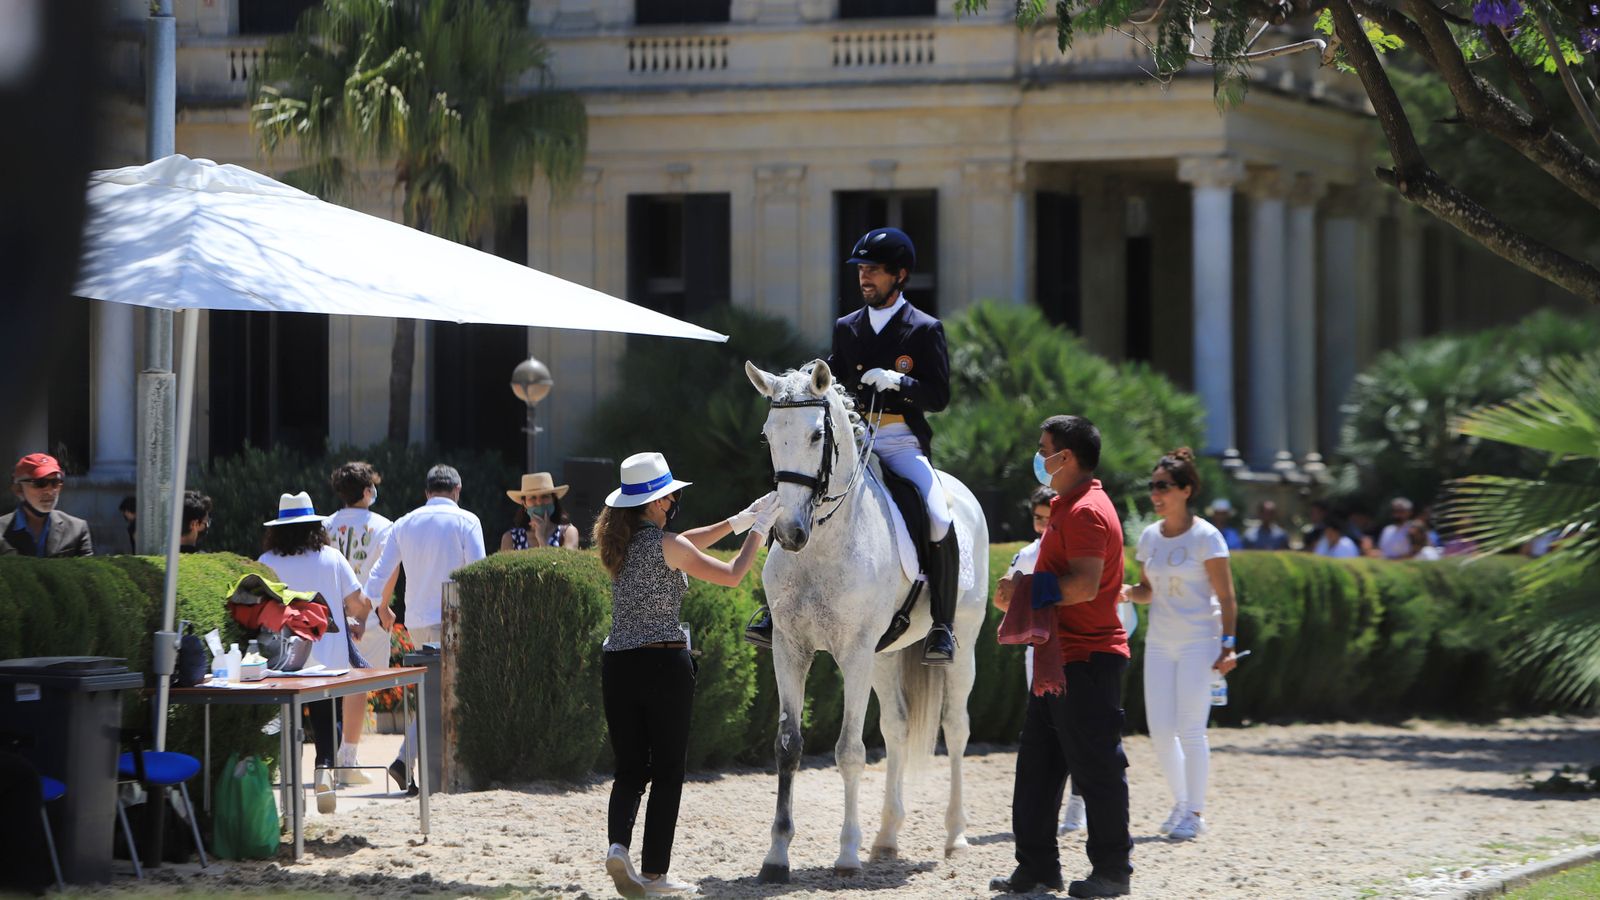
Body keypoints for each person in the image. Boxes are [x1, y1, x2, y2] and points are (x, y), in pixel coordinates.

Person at [746, 226, 957, 665]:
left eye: (875, 271)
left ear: (899, 276)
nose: (865, 278)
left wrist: (901, 381)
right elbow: (831, 385)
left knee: (938, 514)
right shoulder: (848, 327)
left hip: (899, 440)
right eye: (862, 269)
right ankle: (773, 608)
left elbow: (939, 396)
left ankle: (941, 625)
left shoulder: (924, 328)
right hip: (853, 440)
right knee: (796, 493)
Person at [595, 452, 780, 897]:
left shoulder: (620, 545)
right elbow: (734, 575)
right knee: (669, 770)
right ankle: (656, 874)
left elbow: (685, 541)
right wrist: (758, 531)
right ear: (657, 504)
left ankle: (618, 847)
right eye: (670, 494)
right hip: (663, 664)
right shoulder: (668, 546)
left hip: (618, 665)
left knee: (630, 769)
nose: (675, 498)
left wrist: (735, 521)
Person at [991, 416, 1131, 898]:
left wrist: (1022, 591)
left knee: (1096, 768)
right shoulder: (1067, 506)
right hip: (1059, 657)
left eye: (1043, 448)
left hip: (1087, 658)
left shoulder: (1086, 511)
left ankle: (1113, 872)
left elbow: (1085, 585)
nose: (1038, 456)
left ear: (1065, 458)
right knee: (1037, 767)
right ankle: (1036, 869)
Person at [1124, 448, 1240, 842]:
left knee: (1191, 729)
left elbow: (1226, 597)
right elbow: (1146, 590)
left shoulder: (1207, 537)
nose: (1156, 494)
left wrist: (1227, 646)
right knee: (1159, 730)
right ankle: (1180, 802)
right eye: (1153, 486)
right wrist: (1122, 592)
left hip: (1198, 641)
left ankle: (1195, 810)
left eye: (1164, 487)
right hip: (1160, 641)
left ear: (1186, 489)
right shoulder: (1150, 536)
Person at [362, 464, 486, 795]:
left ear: (427, 492)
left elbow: (379, 573)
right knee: (450, 695)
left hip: (416, 621)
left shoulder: (405, 523)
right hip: (454, 617)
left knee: (428, 695)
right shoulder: (467, 520)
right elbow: (477, 571)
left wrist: (369, 607)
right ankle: (422, 765)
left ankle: (409, 762)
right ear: (457, 490)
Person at [258, 491, 369, 815]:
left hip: (283, 657)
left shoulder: (267, 562)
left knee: (287, 725)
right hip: (327, 656)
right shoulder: (331, 558)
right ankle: (324, 771)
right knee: (325, 721)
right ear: (314, 527)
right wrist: (358, 622)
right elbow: (358, 600)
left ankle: (292, 795)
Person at [324, 461, 398, 786]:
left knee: (327, 687)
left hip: (331, 616)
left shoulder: (325, 525)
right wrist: (383, 609)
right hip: (366, 614)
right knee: (358, 690)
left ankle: (329, 759)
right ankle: (348, 759)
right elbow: (390, 570)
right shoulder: (385, 526)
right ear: (368, 491)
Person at [0, 454, 91, 557]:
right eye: (39, 483)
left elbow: (87, 572)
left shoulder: (77, 529)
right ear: (18, 489)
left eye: (55, 483)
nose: (49, 491)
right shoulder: (1, 531)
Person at [501, 472, 579, 551]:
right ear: (524, 504)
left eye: (544, 496)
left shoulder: (568, 533)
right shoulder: (510, 538)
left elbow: (565, 563)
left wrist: (541, 538)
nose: (539, 502)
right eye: (533, 497)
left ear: (553, 500)